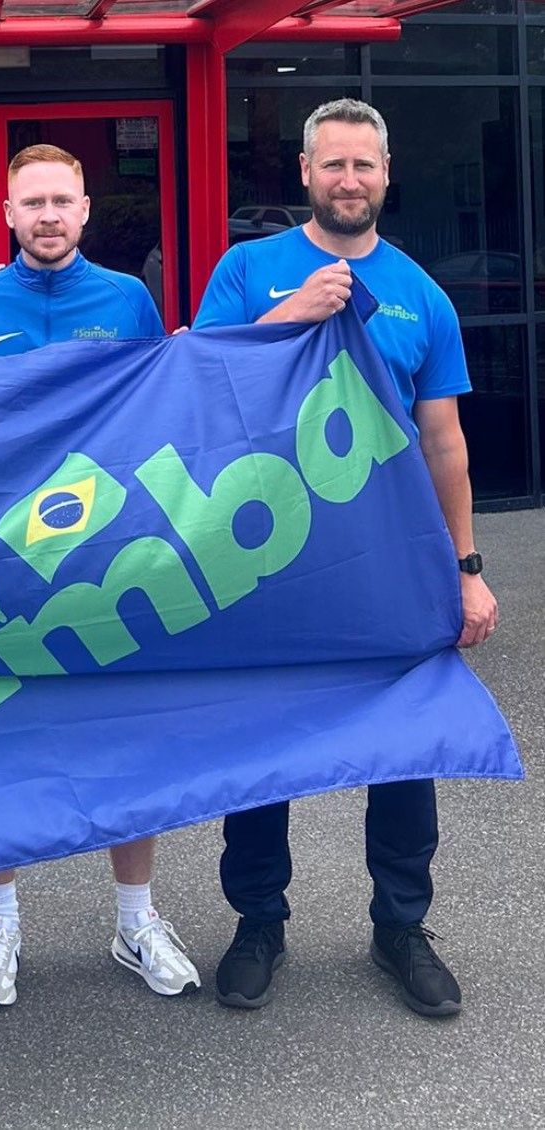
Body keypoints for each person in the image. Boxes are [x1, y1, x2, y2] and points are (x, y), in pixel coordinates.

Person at [193, 97, 498, 1018]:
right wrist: (290, 315)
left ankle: (399, 927)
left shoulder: (422, 293)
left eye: (363, 166)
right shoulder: (248, 271)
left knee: (403, 753)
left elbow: (441, 441)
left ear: (385, 174)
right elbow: (200, 389)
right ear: (304, 173)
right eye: (332, 165)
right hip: (269, 558)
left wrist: (467, 567)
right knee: (262, 749)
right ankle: (257, 924)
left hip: (390, 560)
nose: (348, 180)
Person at [0, 144, 197, 1011]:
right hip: (1, 564)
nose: (47, 216)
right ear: (6, 215)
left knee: (127, 743)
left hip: (104, 558)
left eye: (61, 200)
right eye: (31, 203)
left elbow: (163, 411)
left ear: (85, 210)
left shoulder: (128, 299)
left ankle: (134, 920)